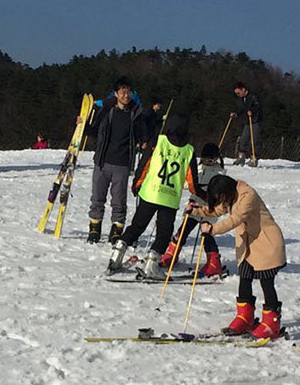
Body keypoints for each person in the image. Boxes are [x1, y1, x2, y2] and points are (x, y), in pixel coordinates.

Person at [106, 113, 204, 278]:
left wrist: (137, 183)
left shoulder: (158, 142)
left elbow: (144, 165)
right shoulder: (189, 150)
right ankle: (151, 264)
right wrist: (202, 195)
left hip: (150, 193)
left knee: (137, 226)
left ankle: (117, 254)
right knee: (164, 234)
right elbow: (192, 182)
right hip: (169, 198)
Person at [190, 175, 286, 339]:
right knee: (245, 278)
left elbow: (236, 219)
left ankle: (272, 323)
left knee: (266, 281)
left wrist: (212, 230)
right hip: (249, 245)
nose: (220, 200)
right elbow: (218, 210)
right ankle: (245, 318)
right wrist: (196, 210)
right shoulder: (231, 195)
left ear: (226, 191)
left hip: (267, 243)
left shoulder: (247, 195)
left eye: (220, 196)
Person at [85, 76, 149, 244]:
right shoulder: (107, 111)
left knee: (119, 201)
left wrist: (144, 142)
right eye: (122, 92)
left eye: (128, 92)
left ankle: (116, 230)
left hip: (122, 164)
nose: (126, 95)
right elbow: (95, 131)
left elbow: (143, 134)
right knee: (97, 197)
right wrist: (83, 126)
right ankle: (94, 229)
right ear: (116, 94)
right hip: (102, 161)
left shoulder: (136, 113)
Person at [160, 142, 226, 277]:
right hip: (194, 206)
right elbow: (188, 183)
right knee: (183, 230)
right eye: (205, 158)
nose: (207, 162)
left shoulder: (220, 172)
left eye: (210, 159)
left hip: (208, 209)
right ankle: (172, 254)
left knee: (206, 234)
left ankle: (214, 263)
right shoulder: (199, 168)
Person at [229, 82, 262, 166]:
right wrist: (236, 114)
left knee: (254, 140)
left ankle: (253, 159)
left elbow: (258, 106)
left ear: (243, 89)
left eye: (238, 93)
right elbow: (243, 110)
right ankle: (241, 157)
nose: (238, 95)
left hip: (255, 120)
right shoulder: (243, 99)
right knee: (243, 139)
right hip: (248, 121)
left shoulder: (252, 97)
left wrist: (252, 112)